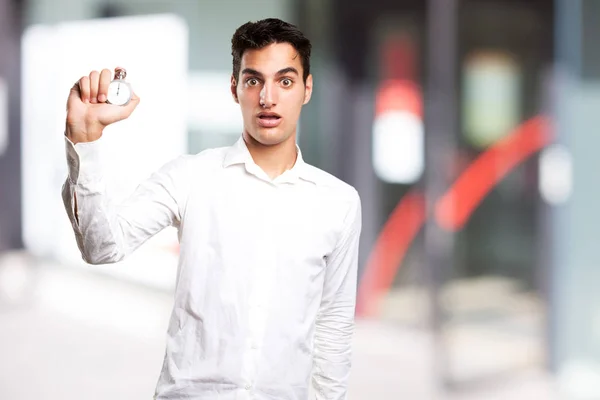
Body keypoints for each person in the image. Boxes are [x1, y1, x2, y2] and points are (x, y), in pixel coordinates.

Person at [62, 18, 362, 400]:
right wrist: (84, 140)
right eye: (254, 80)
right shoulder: (190, 177)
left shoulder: (338, 202)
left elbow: (333, 326)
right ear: (235, 88)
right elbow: (102, 246)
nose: (268, 97)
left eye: (285, 81)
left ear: (307, 89)